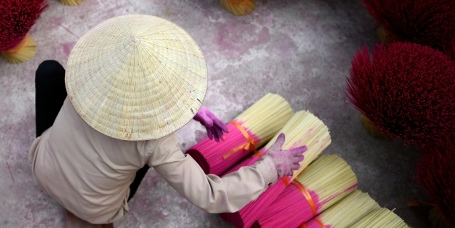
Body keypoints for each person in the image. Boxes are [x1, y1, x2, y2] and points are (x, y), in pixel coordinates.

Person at [29, 15, 307, 226]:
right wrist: (270, 167)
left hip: (41, 167)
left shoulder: (83, 78)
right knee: (149, 155)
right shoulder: (155, 141)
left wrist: (190, 109)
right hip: (92, 209)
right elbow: (210, 195)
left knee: (50, 71)